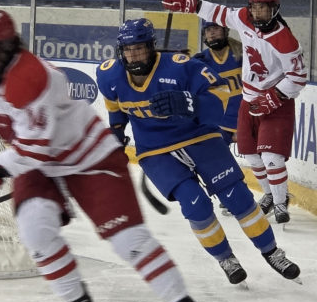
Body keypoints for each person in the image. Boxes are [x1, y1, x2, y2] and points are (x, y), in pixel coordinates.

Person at [0, 9, 218, 302]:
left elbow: (35, 148)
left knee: (129, 241)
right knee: (34, 230)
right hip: (37, 164)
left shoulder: (32, 77)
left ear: (5, 47)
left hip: (88, 156)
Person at [95, 18, 300, 287]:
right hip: (155, 151)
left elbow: (222, 96)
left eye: (140, 49)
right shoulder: (109, 75)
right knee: (195, 204)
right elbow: (115, 109)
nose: (133, 55)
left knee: (237, 197)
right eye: (128, 50)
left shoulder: (180, 66)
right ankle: (226, 258)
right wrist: (116, 133)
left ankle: (272, 252)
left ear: (151, 47)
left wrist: (190, 103)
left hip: (199, 137)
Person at [162, 0, 307, 224]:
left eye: (263, 8)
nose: (257, 13)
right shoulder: (244, 18)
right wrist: (196, 6)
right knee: (251, 155)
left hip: (276, 102)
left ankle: (281, 203)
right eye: (255, 7)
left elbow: (298, 77)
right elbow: (220, 13)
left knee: (271, 157)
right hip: (248, 100)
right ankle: (269, 195)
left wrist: (274, 97)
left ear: (274, 9)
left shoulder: (286, 41)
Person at [193, 20, 243, 216]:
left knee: (261, 158)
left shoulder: (241, 54)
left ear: (225, 30)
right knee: (217, 160)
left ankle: (274, 196)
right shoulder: (201, 61)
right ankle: (232, 194)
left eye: (215, 29)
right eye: (208, 30)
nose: (212, 33)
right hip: (220, 121)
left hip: (246, 117)